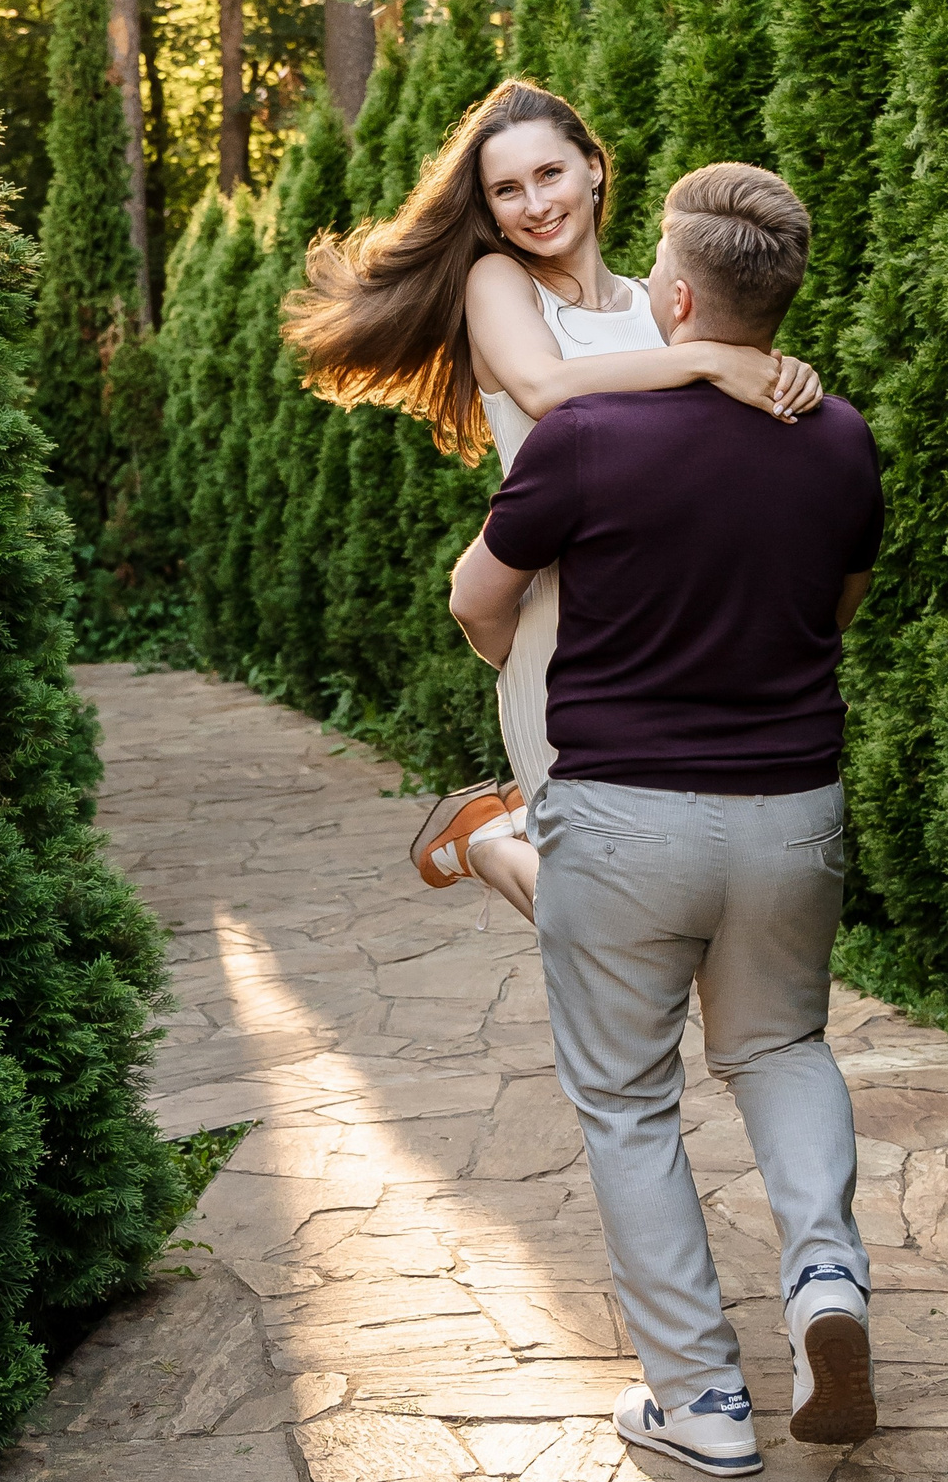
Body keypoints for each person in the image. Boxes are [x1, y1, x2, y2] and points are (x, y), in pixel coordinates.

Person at [447, 162, 883, 1475]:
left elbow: (476, 597)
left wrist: (528, 661)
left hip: (624, 814)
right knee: (782, 1047)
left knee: (631, 1102)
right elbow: (837, 610)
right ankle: (825, 1280)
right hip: (791, 811)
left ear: (678, 297)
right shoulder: (842, 437)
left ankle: (700, 1399)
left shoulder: (588, 435)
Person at [282, 79, 823, 921]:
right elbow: (543, 388)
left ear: (594, 169)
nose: (535, 205)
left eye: (550, 174)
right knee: (608, 920)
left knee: (664, 918)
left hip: (666, 638)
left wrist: (785, 373)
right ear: (489, 211)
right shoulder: (499, 283)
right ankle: (488, 841)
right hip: (560, 639)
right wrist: (709, 360)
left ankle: (505, 829)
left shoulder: (655, 304)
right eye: (507, 190)